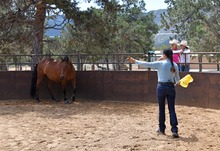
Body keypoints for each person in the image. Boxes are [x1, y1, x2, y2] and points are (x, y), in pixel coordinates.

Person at [127, 48, 180, 138]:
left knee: (161, 109)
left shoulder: (160, 63)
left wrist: (135, 61)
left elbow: (148, 64)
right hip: (171, 87)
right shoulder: (174, 65)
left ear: (164, 55)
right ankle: (174, 130)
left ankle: (161, 129)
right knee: (172, 109)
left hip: (161, 87)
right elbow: (177, 80)